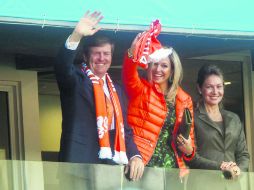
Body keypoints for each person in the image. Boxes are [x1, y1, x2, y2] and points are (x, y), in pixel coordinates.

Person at [54, 11, 144, 187]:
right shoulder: (76, 80)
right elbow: (62, 68)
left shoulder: (116, 89)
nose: (102, 58)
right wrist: (76, 35)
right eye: (96, 54)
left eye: (106, 54)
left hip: (109, 169)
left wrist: (135, 156)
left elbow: (124, 130)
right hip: (78, 166)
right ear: (86, 57)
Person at [122, 33, 196, 186]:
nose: (158, 69)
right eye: (155, 64)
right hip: (142, 166)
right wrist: (132, 53)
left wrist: (189, 150)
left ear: (172, 70)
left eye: (164, 65)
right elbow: (128, 74)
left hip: (173, 170)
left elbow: (190, 143)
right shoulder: (141, 88)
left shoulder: (184, 99)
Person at [188, 64, 249, 178]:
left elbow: (243, 155)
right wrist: (221, 167)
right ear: (199, 88)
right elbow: (191, 157)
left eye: (219, 86)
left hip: (232, 184)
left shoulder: (234, 118)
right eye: (209, 87)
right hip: (204, 183)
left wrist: (236, 171)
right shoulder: (192, 118)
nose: (215, 91)